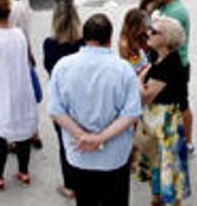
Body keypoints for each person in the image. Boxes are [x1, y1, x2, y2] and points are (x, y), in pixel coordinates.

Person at [48, 14, 143, 206]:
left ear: (84, 37)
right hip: (114, 156)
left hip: (79, 154)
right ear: (110, 39)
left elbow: (56, 110)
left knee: (85, 201)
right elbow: (131, 114)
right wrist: (100, 138)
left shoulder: (63, 66)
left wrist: (82, 136)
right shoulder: (123, 69)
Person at [0, 0, 38, 191]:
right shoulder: (19, 34)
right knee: (23, 133)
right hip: (22, 90)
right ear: (9, 11)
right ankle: (24, 171)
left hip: (2, 91)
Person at [136, 17, 191, 205]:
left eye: (154, 31)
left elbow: (145, 96)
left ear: (167, 38)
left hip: (166, 122)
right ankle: (156, 197)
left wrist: (136, 80)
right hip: (155, 121)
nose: (148, 33)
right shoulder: (157, 57)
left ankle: (168, 200)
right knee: (156, 163)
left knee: (169, 168)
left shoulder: (170, 63)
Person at [42, 0, 84, 199]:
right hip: (83, 98)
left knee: (64, 142)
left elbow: (49, 69)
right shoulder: (83, 42)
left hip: (61, 100)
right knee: (83, 136)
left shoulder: (49, 44)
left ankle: (71, 185)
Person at [153, 0, 195, 155]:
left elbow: (160, 36)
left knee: (182, 104)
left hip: (176, 65)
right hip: (170, 63)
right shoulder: (165, 8)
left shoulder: (175, 12)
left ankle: (187, 141)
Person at [119, 8, 150, 73]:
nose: (145, 28)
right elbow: (127, 69)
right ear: (135, 27)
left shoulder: (141, 37)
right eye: (142, 26)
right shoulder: (125, 44)